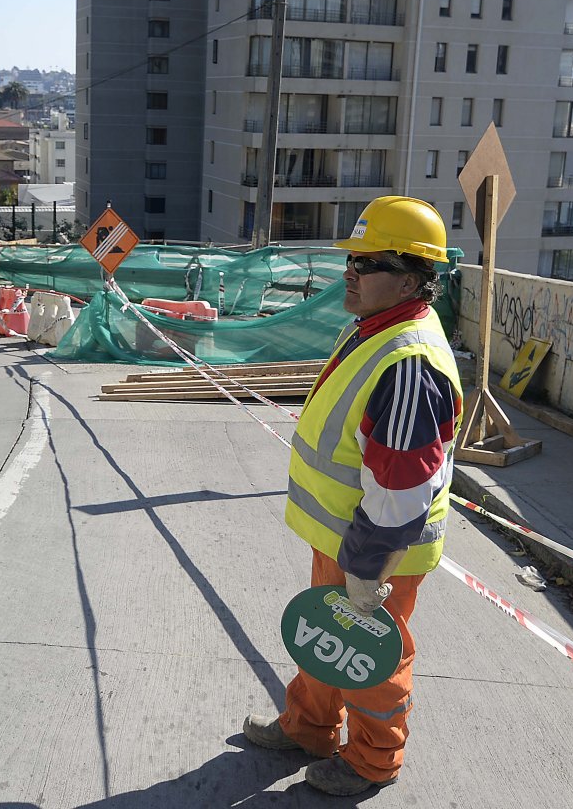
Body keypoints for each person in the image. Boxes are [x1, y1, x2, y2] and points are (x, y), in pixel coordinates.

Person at [243, 195, 463, 797]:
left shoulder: (408, 363)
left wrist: (368, 569)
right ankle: (310, 727)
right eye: (353, 259)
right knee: (326, 636)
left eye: (367, 263)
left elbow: (401, 486)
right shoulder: (376, 329)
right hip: (345, 537)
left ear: (412, 278)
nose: (351, 272)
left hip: (377, 550)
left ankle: (373, 762)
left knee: (371, 659)